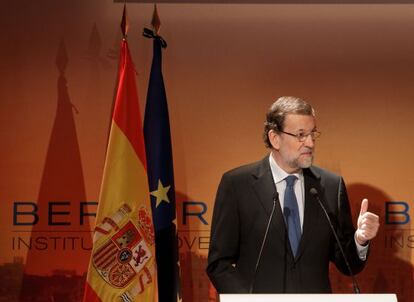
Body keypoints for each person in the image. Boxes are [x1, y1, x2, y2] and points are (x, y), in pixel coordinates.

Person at [206, 96, 379, 294]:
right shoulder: (237, 185)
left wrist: (360, 240)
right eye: (300, 135)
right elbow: (219, 264)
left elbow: (348, 264)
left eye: (313, 134)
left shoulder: (330, 186)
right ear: (275, 138)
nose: (310, 143)